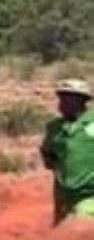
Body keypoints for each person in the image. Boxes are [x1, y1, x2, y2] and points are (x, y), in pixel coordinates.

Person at [39, 79, 94, 224]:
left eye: (70, 100)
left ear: (82, 101)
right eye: (62, 99)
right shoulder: (54, 127)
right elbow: (48, 156)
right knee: (62, 233)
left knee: (81, 226)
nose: (63, 104)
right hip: (64, 194)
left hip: (89, 193)